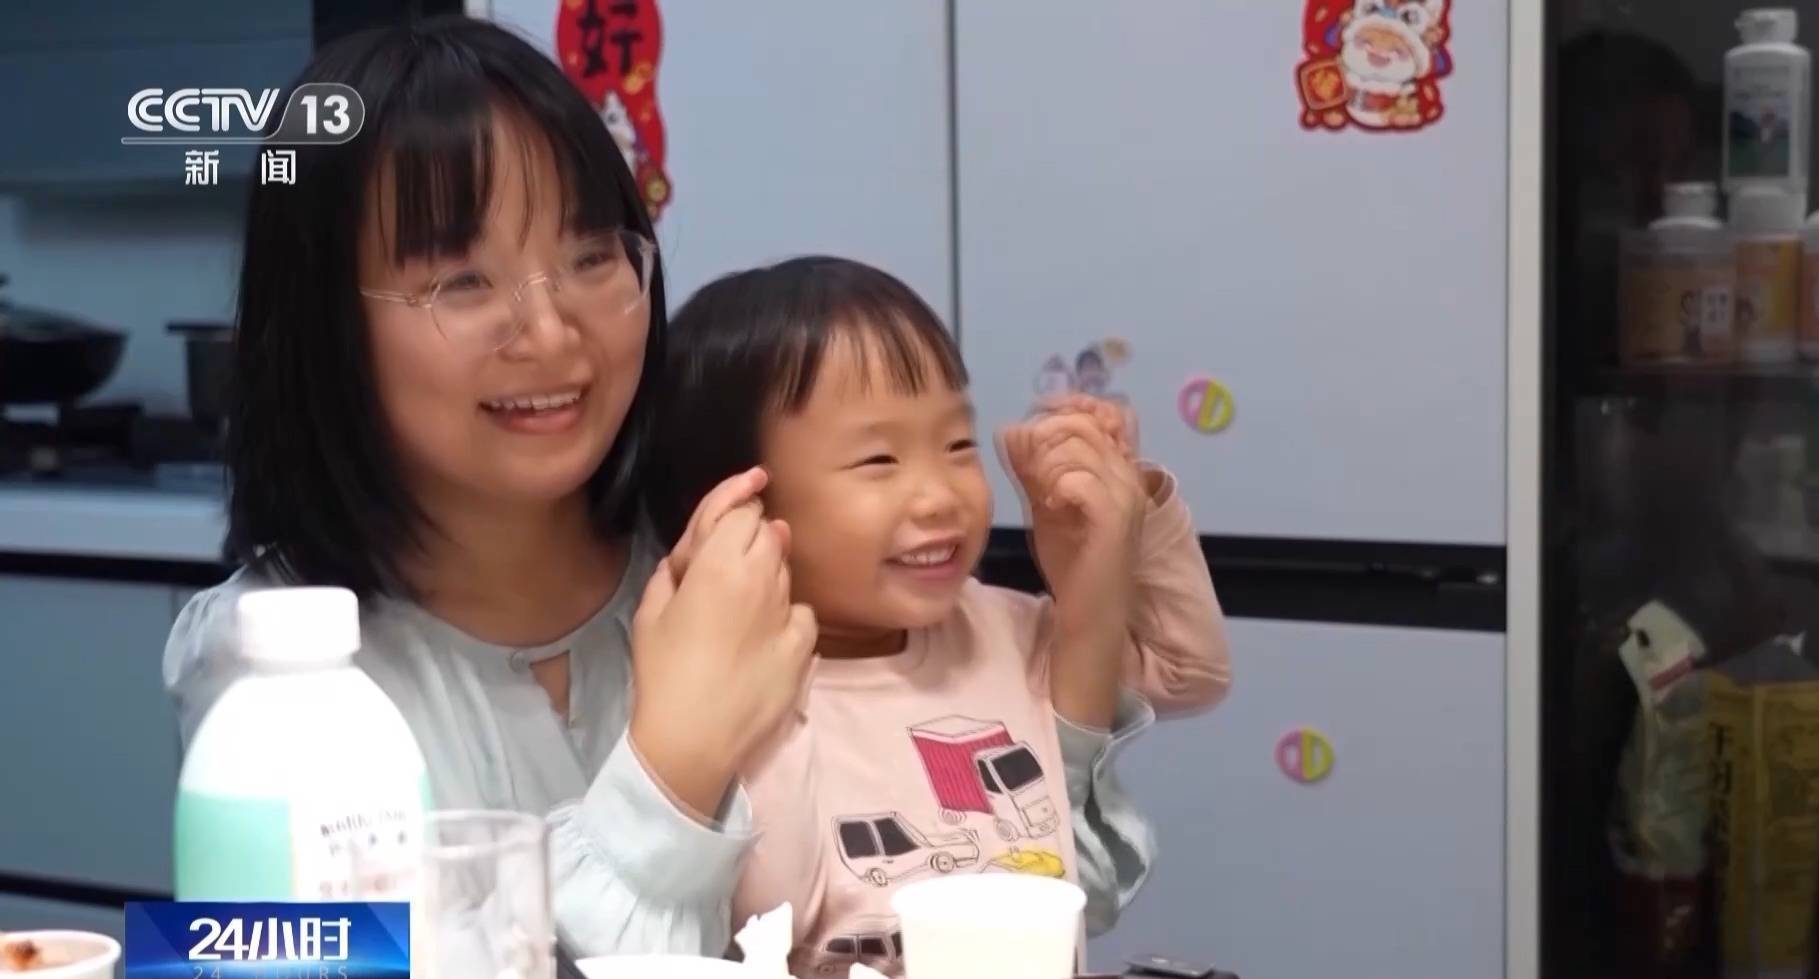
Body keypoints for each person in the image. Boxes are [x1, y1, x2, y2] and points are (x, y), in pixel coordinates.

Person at [160, 15, 1185, 961]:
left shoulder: (752, 567)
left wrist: (1093, 611)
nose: (552, 332)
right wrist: (671, 765)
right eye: (462, 280)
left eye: (591, 256)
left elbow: (1026, 884)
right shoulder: (276, 680)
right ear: (323, 326)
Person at [645, 256, 1232, 976]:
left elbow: (1187, 669)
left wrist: (1121, 513)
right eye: (878, 460)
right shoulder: (721, 691)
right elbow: (766, 902)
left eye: (957, 444)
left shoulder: (1001, 631)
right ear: (739, 502)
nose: (940, 495)